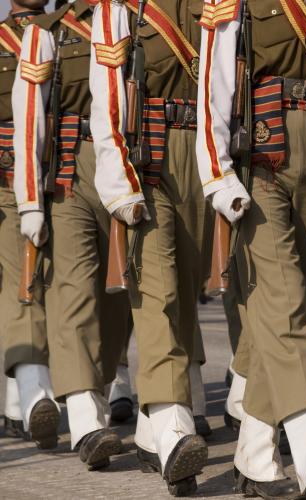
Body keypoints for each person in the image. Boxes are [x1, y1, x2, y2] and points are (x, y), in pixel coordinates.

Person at [196, 0, 306, 498]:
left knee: (302, 305)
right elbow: (214, 83)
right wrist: (217, 173)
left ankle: (253, 451)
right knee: (283, 298)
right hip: (262, 154)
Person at [89, 0, 211, 494]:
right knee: (155, 296)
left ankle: (149, 430)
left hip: (204, 155)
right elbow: (109, 96)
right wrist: (120, 185)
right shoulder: (121, 8)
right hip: (150, 156)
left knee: (184, 298)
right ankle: (176, 427)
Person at [13, 0, 134, 469]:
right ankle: (86, 419)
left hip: (129, 166)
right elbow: (30, 119)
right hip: (70, 173)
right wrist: (29, 201)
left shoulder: (133, 18)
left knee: (116, 299)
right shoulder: (48, 33)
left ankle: (102, 391)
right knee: (73, 290)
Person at [0, 0, 58, 451]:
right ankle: (34, 391)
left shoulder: (70, 33)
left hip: (60, 174)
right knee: (21, 283)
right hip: (4, 184)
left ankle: (25, 399)